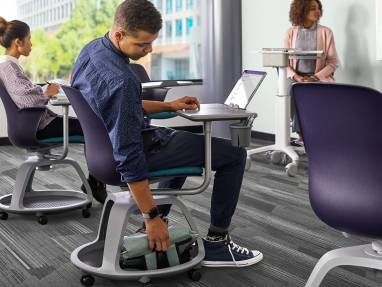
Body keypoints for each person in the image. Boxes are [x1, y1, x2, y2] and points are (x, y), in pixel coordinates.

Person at [71, 0, 263, 267]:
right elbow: (128, 153)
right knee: (233, 154)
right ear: (119, 34)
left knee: (180, 143)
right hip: (124, 159)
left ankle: (158, 219)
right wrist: (151, 218)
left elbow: (118, 105)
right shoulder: (122, 80)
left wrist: (168, 106)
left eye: (151, 42)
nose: (149, 49)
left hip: (98, 156)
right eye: (142, 44)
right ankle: (218, 243)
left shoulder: (92, 51)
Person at [0, 16, 106, 202]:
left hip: (32, 125)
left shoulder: (8, 66)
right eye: (29, 39)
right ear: (18, 42)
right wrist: (47, 92)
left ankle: (95, 181)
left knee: (89, 125)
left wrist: (46, 90)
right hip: (37, 127)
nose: (31, 44)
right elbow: (27, 98)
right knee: (94, 128)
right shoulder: (8, 67)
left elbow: (24, 92)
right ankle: (95, 182)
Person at [285, 0, 338, 146]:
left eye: (318, 8)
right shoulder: (291, 32)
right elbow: (284, 62)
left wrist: (316, 77)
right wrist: (297, 77)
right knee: (290, 91)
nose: (317, 11)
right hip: (296, 77)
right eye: (312, 9)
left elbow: (333, 62)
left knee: (317, 99)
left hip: (318, 77)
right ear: (302, 11)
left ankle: (316, 136)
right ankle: (302, 135)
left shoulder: (326, 32)